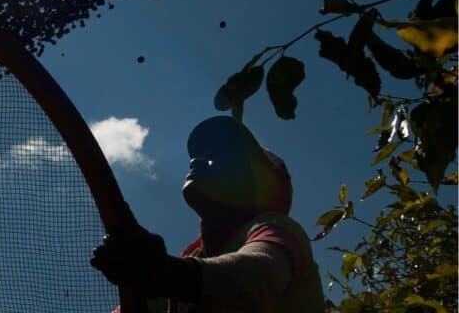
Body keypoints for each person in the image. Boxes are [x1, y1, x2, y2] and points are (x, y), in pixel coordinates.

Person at [91, 116, 326, 312]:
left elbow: (255, 279)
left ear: (264, 182)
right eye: (202, 154)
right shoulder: (193, 259)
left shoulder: (276, 228)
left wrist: (162, 271)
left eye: (225, 157)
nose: (199, 161)